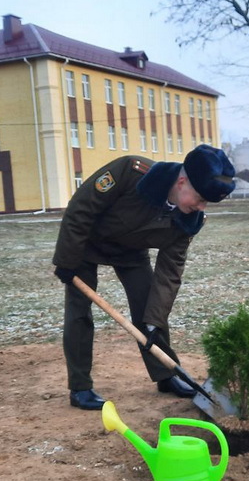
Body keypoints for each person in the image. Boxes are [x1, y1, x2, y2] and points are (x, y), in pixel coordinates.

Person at [52, 145, 236, 409]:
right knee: (79, 310)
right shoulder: (131, 172)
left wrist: (154, 321)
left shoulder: (189, 220)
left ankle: (166, 374)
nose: (201, 206)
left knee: (150, 306)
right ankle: (80, 387)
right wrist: (66, 261)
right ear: (182, 181)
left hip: (131, 253)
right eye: (199, 198)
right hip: (86, 243)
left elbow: (169, 272)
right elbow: (81, 209)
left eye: (206, 202)